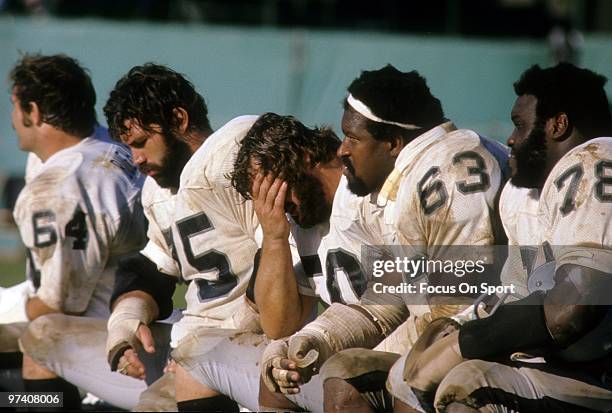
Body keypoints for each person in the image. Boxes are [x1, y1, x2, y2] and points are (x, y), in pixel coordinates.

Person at [259, 64, 509, 412]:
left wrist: (371, 355)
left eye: (354, 138)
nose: (342, 150)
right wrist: (312, 339)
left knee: (355, 377)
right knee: (339, 371)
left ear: (392, 143)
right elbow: (389, 297)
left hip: (499, 343)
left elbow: (455, 306)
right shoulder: (413, 174)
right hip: (469, 332)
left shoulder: (447, 173)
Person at [395, 63, 612, 413]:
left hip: (598, 374)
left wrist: (465, 344)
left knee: (468, 386)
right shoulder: (524, 195)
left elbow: (569, 312)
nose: (511, 139)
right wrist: (462, 325)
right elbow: (520, 292)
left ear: (558, 124)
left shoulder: (595, 161)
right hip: (567, 363)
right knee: (402, 378)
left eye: (520, 124)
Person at [0, 53, 146, 409]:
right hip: (122, 304)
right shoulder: (104, 146)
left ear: (32, 112)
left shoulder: (63, 186)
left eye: (15, 106)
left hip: (101, 325)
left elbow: (58, 304)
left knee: (42, 338)